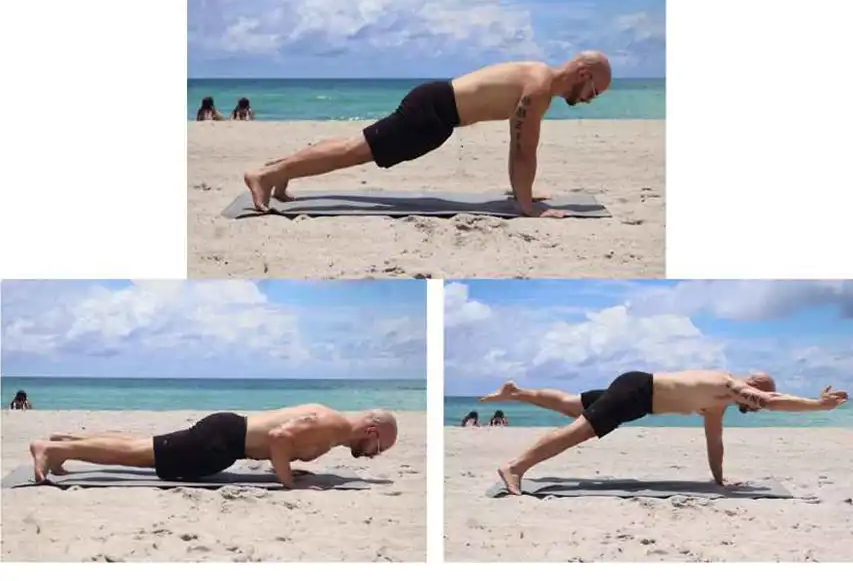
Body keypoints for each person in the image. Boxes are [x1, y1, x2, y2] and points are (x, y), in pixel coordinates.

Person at [243, 52, 612, 217]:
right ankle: (266, 174)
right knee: (354, 150)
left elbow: (520, 146)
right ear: (583, 73)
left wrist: (525, 194)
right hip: (431, 112)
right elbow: (523, 150)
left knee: (355, 146)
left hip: (436, 111)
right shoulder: (538, 88)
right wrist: (528, 208)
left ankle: (281, 171)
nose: (593, 99)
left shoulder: (539, 77)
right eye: (596, 91)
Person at [479, 370, 849, 495]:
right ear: (753, 387)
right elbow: (771, 401)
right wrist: (818, 406)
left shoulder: (716, 399)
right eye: (756, 397)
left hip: (638, 389)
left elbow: (714, 442)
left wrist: (719, 481)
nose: (754, 405)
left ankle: (516, 392)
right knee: (580, 430)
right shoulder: (728, 385)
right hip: (639, 392)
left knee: (571, 403)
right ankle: (516, 467)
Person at [29, 404, 398, 486]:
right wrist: (287, 482)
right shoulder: (332, 426)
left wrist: (287, 466)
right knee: (139, 455)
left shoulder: (330, 422)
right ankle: (54, 451)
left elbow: (282, 440)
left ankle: (67, 443)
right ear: (371, 432)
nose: (375, 454)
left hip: (225, 433)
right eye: (380, 448)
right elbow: (279, 439)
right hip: (220, 442)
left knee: (143, 445)